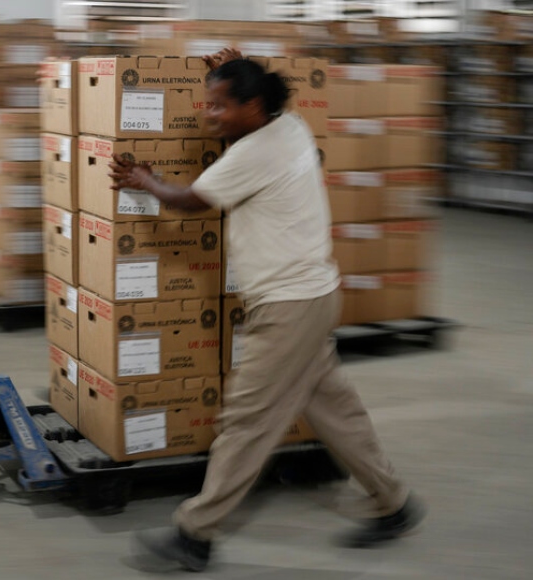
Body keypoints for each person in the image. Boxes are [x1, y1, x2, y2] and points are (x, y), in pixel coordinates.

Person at [109, 52, 424, 572]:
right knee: (334, 409)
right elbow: (235, 142)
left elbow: (192, 200)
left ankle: (196, 533)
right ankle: (394, 502)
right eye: (207, 104)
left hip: (288, 306)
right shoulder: (292, 127)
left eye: (219, 106)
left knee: (247, 419)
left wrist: (146, 179)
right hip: (317, 296)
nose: (208, 114)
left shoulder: (254, 153)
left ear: (253, 106)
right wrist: (238, 70)